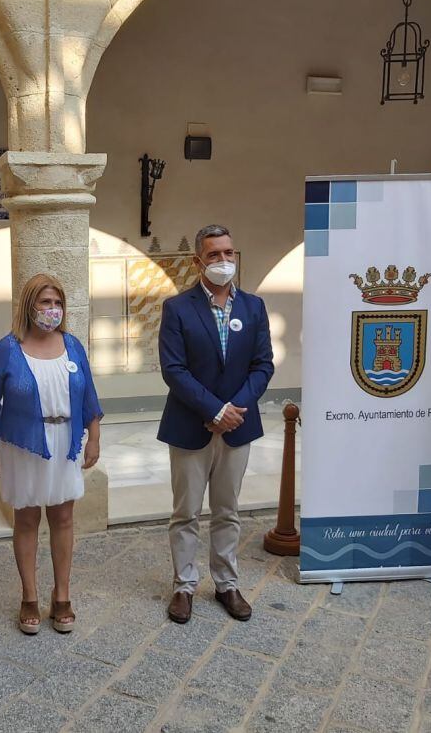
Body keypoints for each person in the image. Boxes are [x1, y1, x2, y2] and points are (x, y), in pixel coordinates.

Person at [157, 225, 274, 624]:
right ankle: (184, 586)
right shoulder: (178, 308)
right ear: (198, 262)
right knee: (186, 512)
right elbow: (173, 369)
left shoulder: (254, 307)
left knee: (228, 510)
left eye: (228, 253)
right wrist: (213, 410)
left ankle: (226, 583)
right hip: (191, 426)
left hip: (237, 426)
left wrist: (233, 409)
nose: (223, 261)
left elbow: (263, 365)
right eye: (213, 255)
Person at [0, 273, 102, 635]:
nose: (53, 310)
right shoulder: (7, 348)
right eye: (45, 302)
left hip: (65, 441)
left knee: (63, 517)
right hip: (22, 443)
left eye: (57, 302)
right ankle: (29, 596)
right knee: (27, 519)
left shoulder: (73, 346)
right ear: (29, 307)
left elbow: (89, 395)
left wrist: (93, 437)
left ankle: (61, 595)